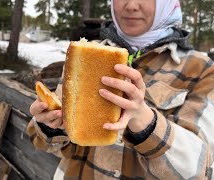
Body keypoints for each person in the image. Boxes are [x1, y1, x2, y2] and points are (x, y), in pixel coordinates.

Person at [27, 0, 214, 179]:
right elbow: (43, 142)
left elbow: (199, 171)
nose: (131, 6)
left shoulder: (201, 68)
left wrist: (145, 121)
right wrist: (48, 125)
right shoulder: (85, 54)